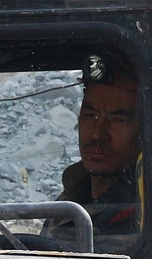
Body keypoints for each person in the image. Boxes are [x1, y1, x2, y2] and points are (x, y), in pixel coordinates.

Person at [56, 64, 143, 236]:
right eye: (91, 116)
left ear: (144, 131)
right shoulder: (72, 198)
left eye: (118, 120)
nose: (97, 134)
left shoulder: (144, 211)